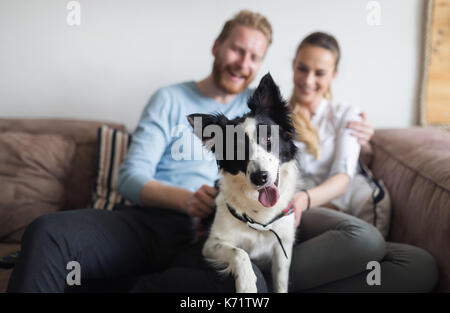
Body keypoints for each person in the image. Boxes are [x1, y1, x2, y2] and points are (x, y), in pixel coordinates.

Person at [6, 11, 375, 293]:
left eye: (253, 56)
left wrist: (364, 138)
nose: (242, 62)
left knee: (249, 289)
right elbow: (130, 176)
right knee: (48, 231)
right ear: (216, 46)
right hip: (148, 222)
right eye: (236, 48)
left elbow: (301, 141)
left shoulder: (260, 118)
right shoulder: (170, 99)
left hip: (213, 237)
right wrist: (186, 200)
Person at [287, 32, 438, 292]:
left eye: (319, 73)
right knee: (364, 241)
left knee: (420, 264)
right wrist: (300, 202)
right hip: (302, 218)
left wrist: (306, 198)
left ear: (334, 74)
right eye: (302, 68)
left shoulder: (347, 114)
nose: (308, 80)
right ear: (293, 66)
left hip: (326, 213)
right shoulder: (273, 116)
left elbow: (342, 178)